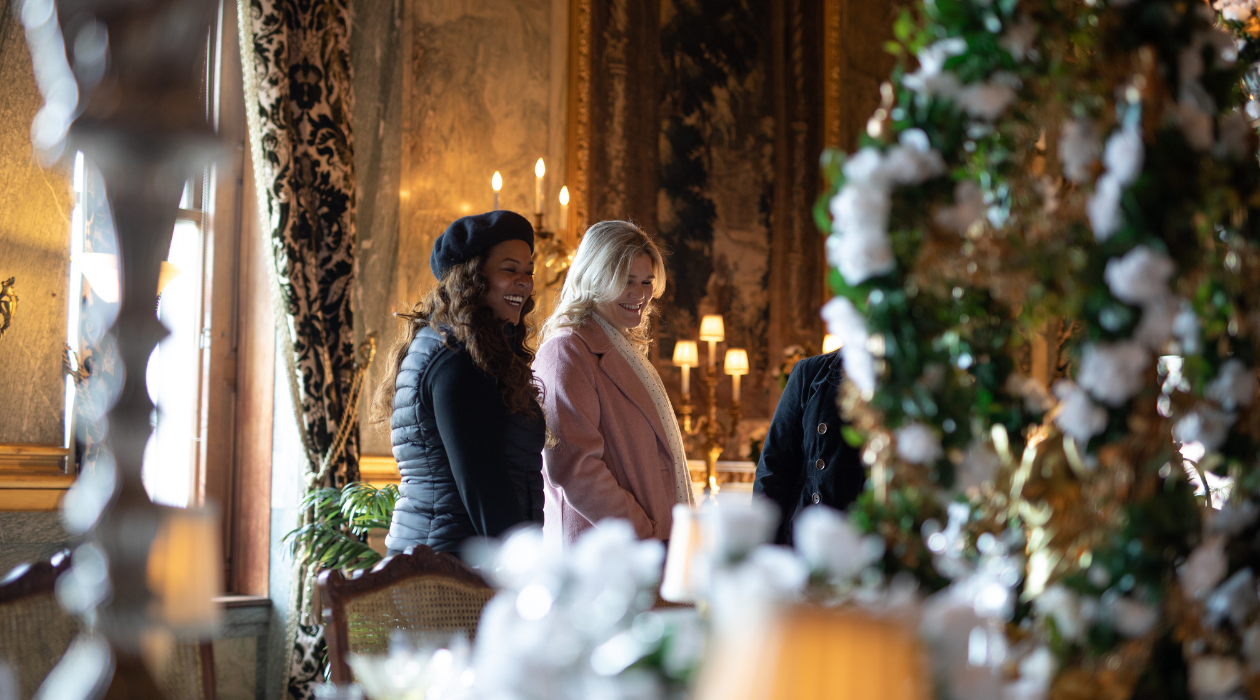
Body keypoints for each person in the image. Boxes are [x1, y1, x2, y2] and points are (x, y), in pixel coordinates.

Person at [374, 210, 545, 555]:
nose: (525, 282)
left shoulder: (448, 342)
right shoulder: (459, 358)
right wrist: (532, 574)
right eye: (509, 270)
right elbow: (485, 486)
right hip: (449, 571)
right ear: (473, 279)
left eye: (528, 271)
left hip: (440, 557)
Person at [534, 220, 694, 548]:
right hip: (604, 556)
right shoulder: (566, 350)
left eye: (646, 281)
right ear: (595, 279)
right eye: (626, 281)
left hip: (642, 551)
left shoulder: (624, 349)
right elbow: (575, 468)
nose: (639, 294)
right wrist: (644, 532)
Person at [753, 349, 865, 544]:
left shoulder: (912, 376)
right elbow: (774, 467)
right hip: (808, 538)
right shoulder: (811, 372)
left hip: (871, 539)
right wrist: (764, 545)